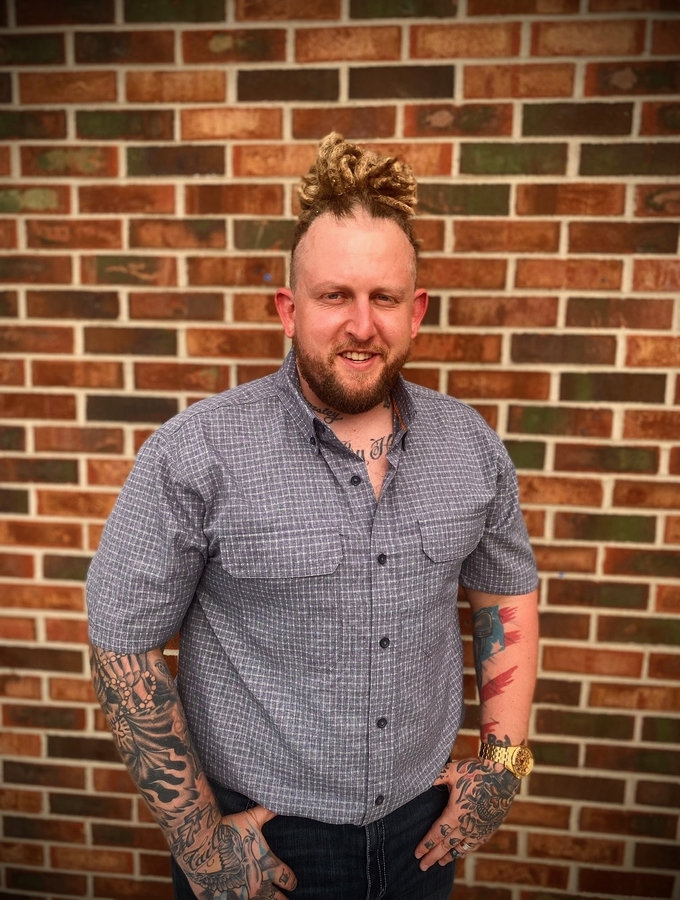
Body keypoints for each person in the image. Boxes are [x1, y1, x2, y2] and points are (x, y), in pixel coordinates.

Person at [87, 133, 539, 900]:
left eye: (383, 298)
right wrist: (199, 842)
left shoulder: (470, 446)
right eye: (335, 297)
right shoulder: (196, 452)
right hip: (263, 844)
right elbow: (122, 645)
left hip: (423, 835)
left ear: (416, 312)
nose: (361, 325)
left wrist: (502, 769)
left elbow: (505, 600)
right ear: (289, 310)